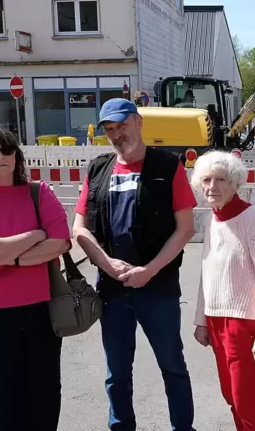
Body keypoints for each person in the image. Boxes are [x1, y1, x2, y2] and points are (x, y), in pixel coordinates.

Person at [72, 98, 198, 431]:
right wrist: (107, 264)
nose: (116, 134)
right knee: (117, 372)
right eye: (109, 129)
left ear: (138, 122)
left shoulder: (168, 166)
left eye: (121, 125)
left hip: (158, 289)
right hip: (112, 291)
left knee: (172, 366)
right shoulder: (97, 170)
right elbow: (80, 229)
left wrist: (149, 271)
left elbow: (185, 229)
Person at [0, 125, 72, 431]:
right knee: (0, 401)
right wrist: (35, 235)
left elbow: (60, 242)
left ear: (17, 156)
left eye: (6, 150)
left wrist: (8, 256)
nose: (0, 157)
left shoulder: (38, 192)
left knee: (44, 398)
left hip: (39, 315)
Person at [191, 150, 255, 431]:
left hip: (245, 326)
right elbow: (206, 272)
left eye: (221, 179)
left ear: (235, 183)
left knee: (250, 403)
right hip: (216, 322)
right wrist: (200, 319)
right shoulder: (213, 218)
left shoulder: (253, 217)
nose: (212, 187)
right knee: (232, 397)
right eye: (206, 180)